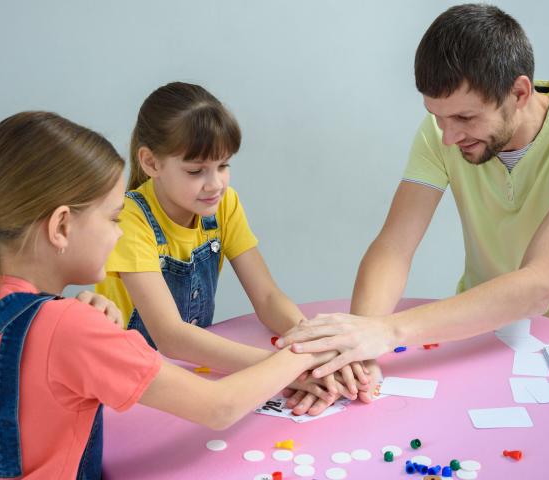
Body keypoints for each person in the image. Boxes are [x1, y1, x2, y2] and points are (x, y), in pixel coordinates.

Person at [0, 111, 337, 479]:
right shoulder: (67, 326)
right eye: (113, 218)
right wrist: (310, 351)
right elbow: (219, 407)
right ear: (62, 226)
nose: (119, 232)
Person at [276, 3, 549, 379]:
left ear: (520, 93)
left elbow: (539, 283)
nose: (448, 136)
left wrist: (386, 331)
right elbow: (394, 247)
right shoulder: (440, 134)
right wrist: (358, 344)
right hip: (485, 339)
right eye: (437, 116)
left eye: (465, 117)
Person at [94, 82, 369, 413]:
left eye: (223, 166)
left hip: (188, 372)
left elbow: (267, 297)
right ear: (151, 163)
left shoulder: (224, 205)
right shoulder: (130, 220)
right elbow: (170, 336)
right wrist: (285, 368)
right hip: (131, 387)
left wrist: (316, 345)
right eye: (196, 171)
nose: (215, 184)